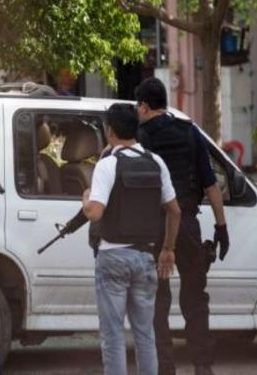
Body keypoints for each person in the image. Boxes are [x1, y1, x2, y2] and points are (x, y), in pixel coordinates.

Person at [135, 77, 230, 375]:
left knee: (157, 301)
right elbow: (211, 185)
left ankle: (165, 367)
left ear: (144, 106)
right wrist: (221, 227)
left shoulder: (140, 136)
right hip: (188, 224)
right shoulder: (190, 132)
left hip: (153, 227)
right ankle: (202, 366)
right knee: (195, 300)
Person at [82, 103, 181, 375]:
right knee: (145, 334)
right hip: (146, 257)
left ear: (109, 130)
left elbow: (95, 213)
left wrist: (86, 199)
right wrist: (168, 249)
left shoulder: (107, 165)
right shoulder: (156, 162)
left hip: (113, 257)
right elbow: (174, 211)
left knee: (113, 336)